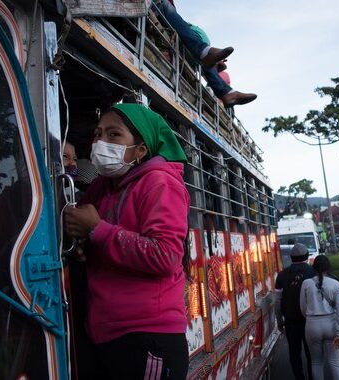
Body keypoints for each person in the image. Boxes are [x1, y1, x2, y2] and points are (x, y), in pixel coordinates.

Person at [64, 103, 191, 379]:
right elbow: (81, 227)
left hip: (147, 336)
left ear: (140, 150)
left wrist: (97, 230)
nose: (100, 142)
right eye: (97, 134)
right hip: (104, 333)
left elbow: (165, 255)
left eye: (113, 135)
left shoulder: (159, 182)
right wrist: (84, 242)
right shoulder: (102, 186)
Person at [153, 0, 256, 107]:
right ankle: (205, 55)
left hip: (175, 26)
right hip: (162, 13)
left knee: (205, 58)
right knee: (203, 56)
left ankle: (226, 91)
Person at [300, 255, 339, 380]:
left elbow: (303, 308)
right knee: (336, 363)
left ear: (313, 268)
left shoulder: (306, 284)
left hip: (312, 325)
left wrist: (310, 317)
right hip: (331, 325)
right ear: (328, 268)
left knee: (316, 362)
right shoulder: (336, 284)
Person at [274, 243, 315, 380]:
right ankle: (313, 377)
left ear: (291, 258)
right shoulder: (312, 272)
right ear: (307, 256)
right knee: (311, 354)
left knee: (294, 352)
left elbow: (278, 301)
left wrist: (279, 321)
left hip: (291, 321)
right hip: (310, 320)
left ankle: (299, 377)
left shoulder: (281, 275)